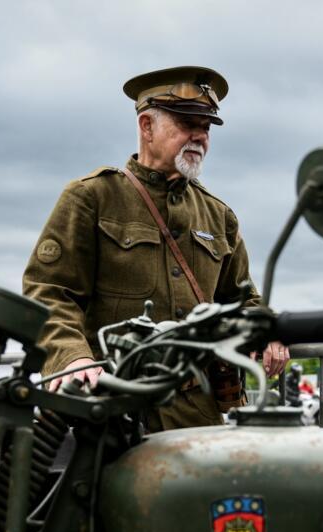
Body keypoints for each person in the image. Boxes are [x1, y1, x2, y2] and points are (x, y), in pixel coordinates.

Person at [22, 66, 288, 431]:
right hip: (111, 411)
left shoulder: (218, 215)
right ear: (146, 126)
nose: (199, 137)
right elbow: (49, 292)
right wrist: (72, 359)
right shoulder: (93, 197)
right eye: (186, 124)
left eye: (206, 127)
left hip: (196, 415)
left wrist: (269, 328)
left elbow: (244, 300)